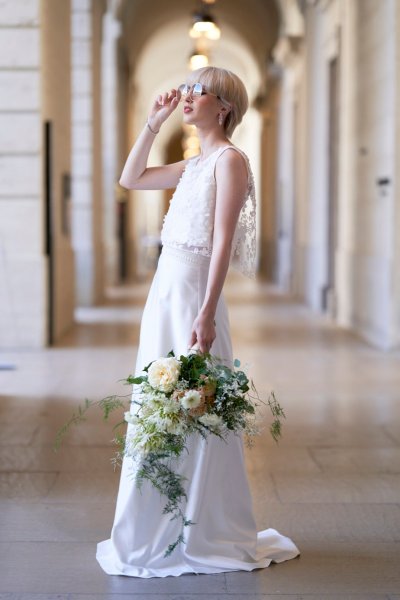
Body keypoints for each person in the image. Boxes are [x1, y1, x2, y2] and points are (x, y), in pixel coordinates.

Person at [96, 66, 299, 578]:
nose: (186, 97)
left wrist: (207, 313)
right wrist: (153, 121)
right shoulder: (193, 164)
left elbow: (223, 245)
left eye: (197, 91)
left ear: (223, 107)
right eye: (185, 90)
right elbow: (131, 179)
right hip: (163, 296)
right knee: (156, 406)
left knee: (195, 410)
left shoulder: (228, 162)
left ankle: (201, 527)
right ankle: (156, 527)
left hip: (192, 299)